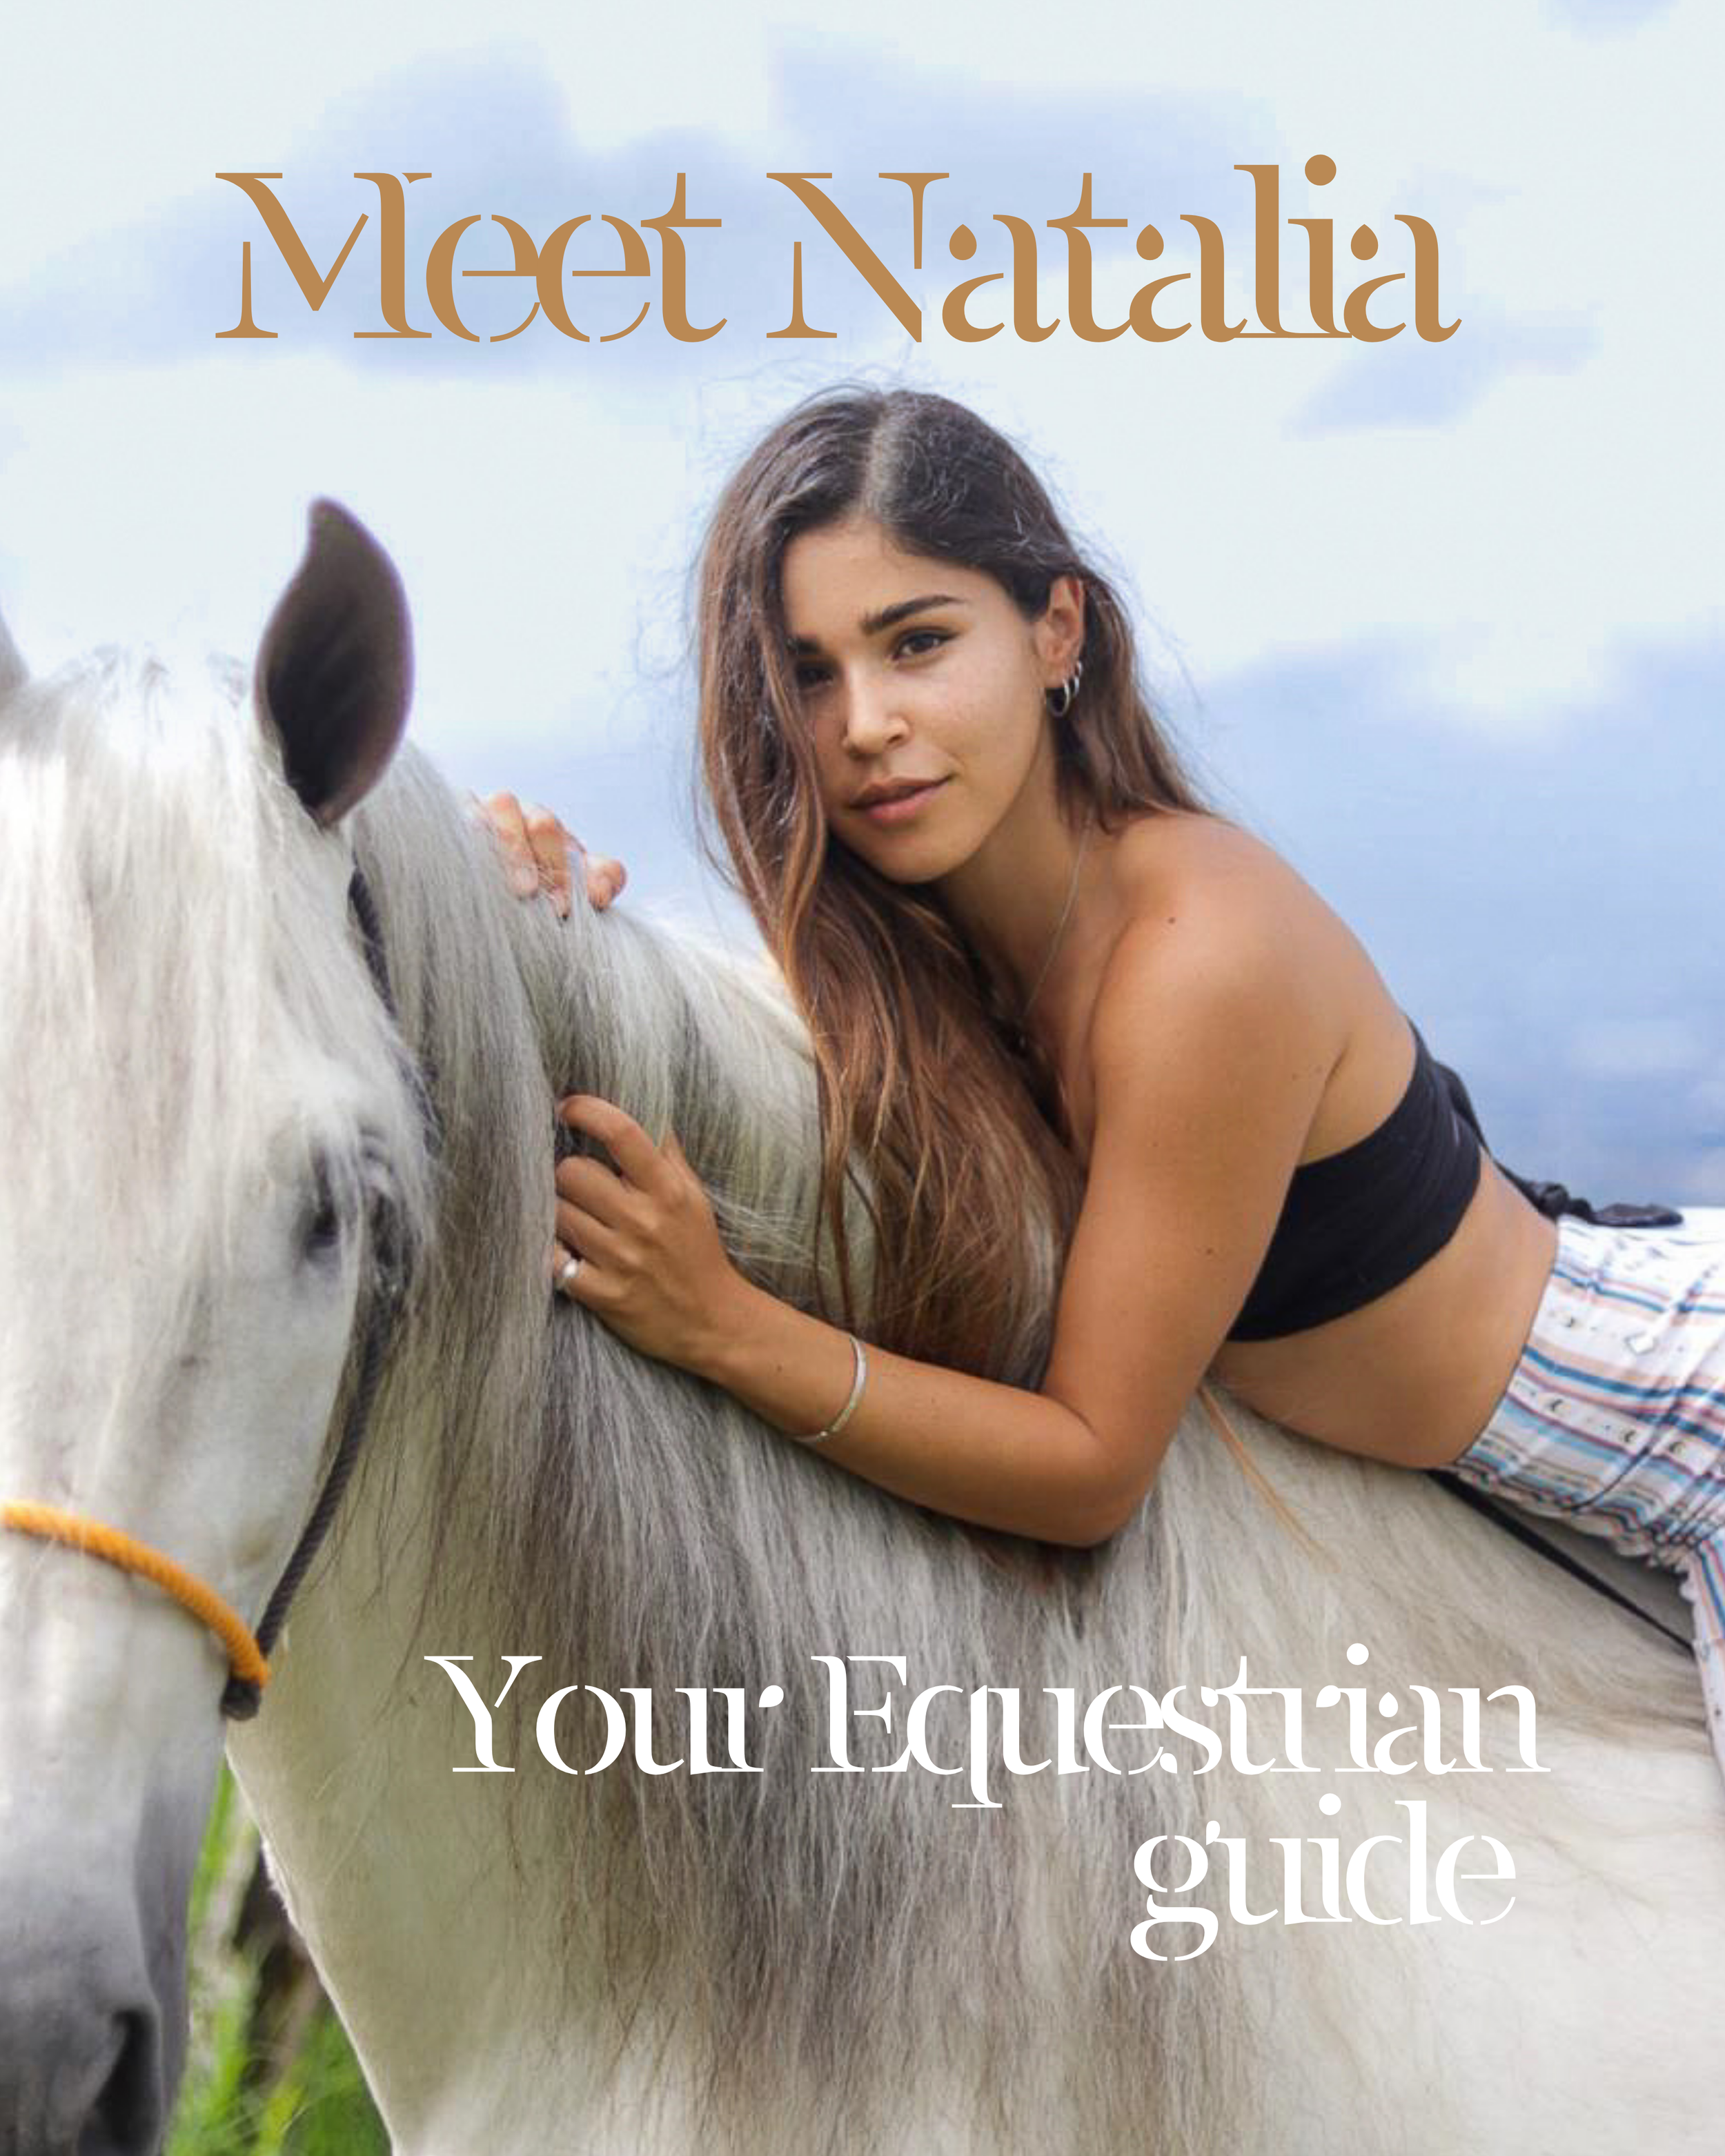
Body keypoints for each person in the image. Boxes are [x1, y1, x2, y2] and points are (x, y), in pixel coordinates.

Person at [481, 386, 1725, 1783]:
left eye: (918, 642)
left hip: (1686, 1433)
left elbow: (1086, 1467)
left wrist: (719, 1324)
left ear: (1053, 631)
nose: (864, 722)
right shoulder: (931, 937)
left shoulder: (1197, 961)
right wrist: (535, 922)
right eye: (810, 672)